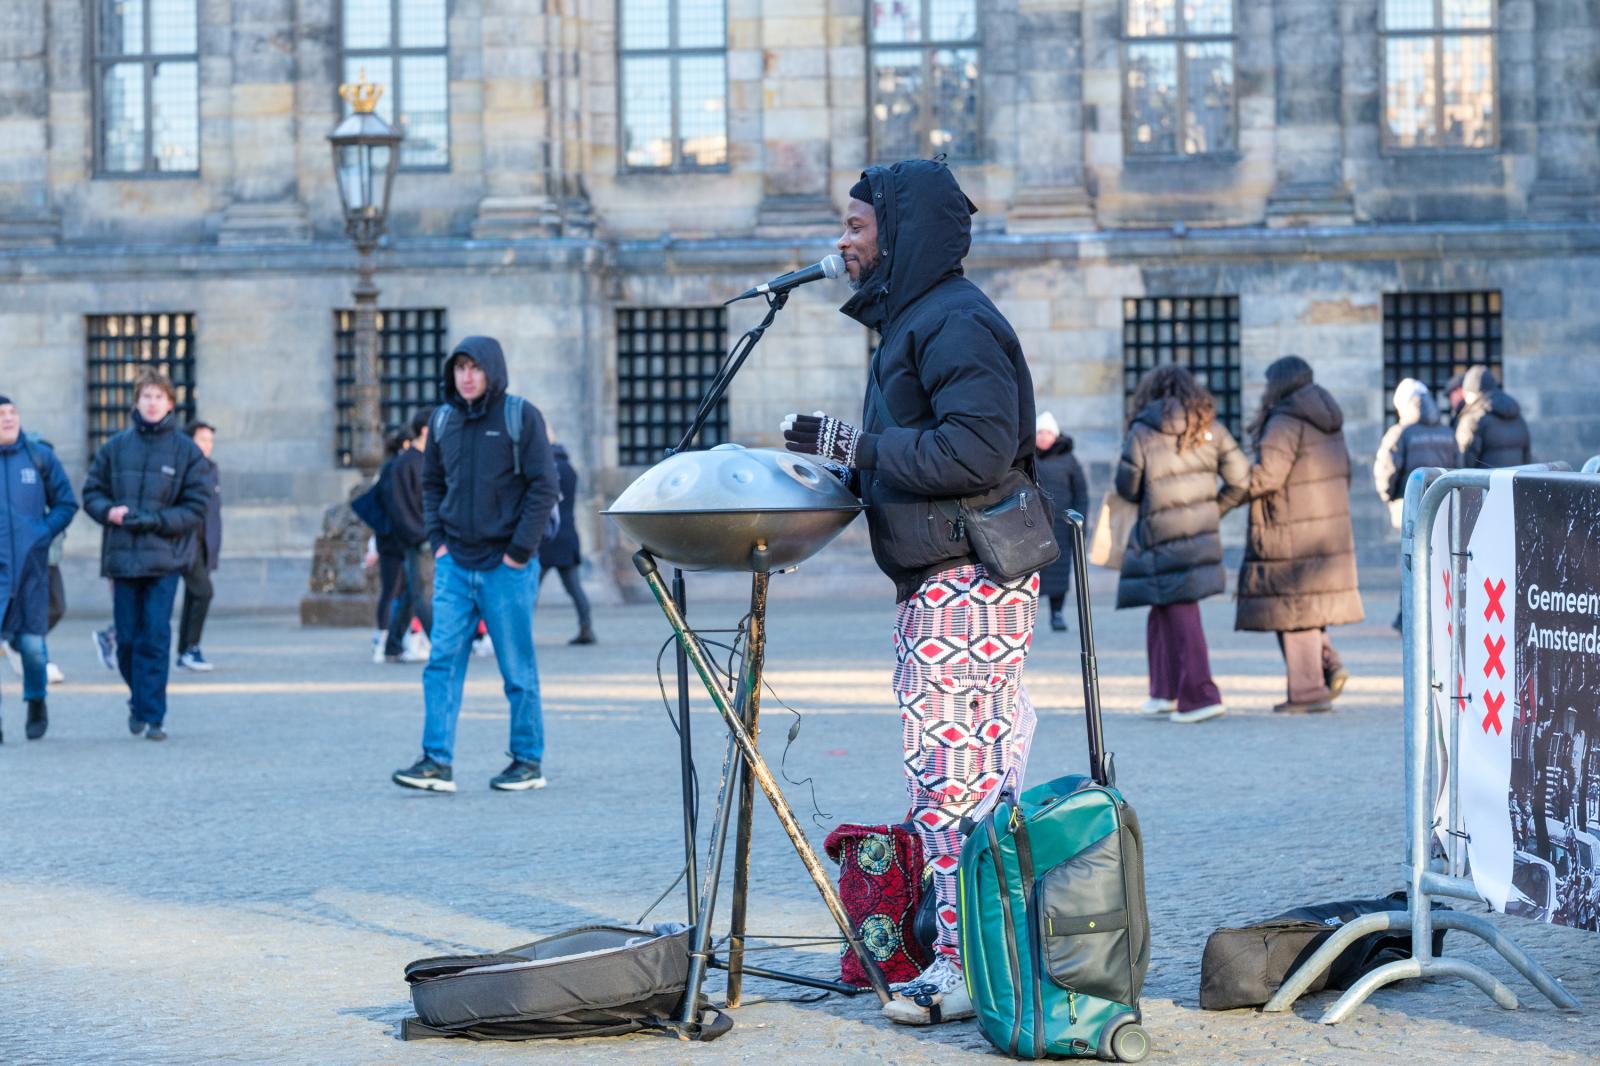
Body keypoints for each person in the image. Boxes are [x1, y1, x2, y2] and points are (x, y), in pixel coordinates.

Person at [781, 159, 1037, 1026]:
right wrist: (838, 467)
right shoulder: (922, 319)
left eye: (857, 226)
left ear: (901, 233)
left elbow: (978, 450)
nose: (843, 241)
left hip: (964, 585)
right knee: (968, 783)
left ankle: (963, 968)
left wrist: (856, 446)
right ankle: (987, 956)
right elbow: (922, 453)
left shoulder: (955, 321)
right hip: (951, 581)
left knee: (951, 785)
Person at [392, 336, 559, 794]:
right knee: (441, 663)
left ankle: (527, 761)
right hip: (454, 564)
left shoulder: (520, 416)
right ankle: (436, 761)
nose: (466, 377)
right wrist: (438, 542)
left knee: (517, 669)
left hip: (506, 567)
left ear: (492, 370)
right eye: (459, 367)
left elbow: (544, 487)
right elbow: (431, 484)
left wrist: (518, 552)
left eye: (475, 367)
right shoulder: (443, 419)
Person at [1114, 367, 1248, 725]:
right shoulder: (1211, 428)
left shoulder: (1143, 431)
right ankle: (1164, 691)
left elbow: (1127, 487)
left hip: (1158, 531)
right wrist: (1213, 510)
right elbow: (1241, 479)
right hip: (1198, 533)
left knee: (1180, 610)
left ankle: (1202, 696)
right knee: (1164, 607)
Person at [81, 370, 209, 741]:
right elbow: (91, 492)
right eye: (146, 396)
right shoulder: (115, 447)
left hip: (165, 558)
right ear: (136, 401)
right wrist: (109, 512)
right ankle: (138, 700)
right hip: (123, 559)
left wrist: (157, 520)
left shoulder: (186, 451)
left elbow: (196, 505)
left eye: (159, 397)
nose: (152, 403)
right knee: (127, 640)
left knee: (154, 635)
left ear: (170, 403)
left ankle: (154, 716)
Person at [1235, 356, 1363, 714]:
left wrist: (1232, 487)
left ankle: (1309, 692)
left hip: (1292, 527)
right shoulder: (1326, 418)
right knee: (1309, 605)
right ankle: (1328, 665)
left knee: (1292, 609)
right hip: (1326, 527)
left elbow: (1268, 476)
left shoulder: (1286, 420)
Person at [0, 397, 78, 742]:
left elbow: (66, 503)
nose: (7, 419)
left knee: (32, 647)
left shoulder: (39, 456)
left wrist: (42, 532)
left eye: (12, 413)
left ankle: (36, 699)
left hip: (30, 571)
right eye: (0, 415)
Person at [1372, 379, 1459, 629]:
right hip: (1443, 505)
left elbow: (1386, 470)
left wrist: (1389, 496)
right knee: (1439, 559)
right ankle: (1437, 615)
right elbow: (1459, 466)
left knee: (1411, 561)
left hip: (1410, 508)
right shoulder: (1447, 433)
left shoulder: (1401, 433)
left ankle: (1408, 617)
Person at [380, 409, 433, 663]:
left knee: (412, 594)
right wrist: (418, 534)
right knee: (422, 595)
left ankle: (392, 645)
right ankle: (442, 644)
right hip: (418, 539)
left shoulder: (427, 460)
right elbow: (399, 506)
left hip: (427, 536)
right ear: (426, 430)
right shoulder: (405, 463)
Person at [1033, 411, 1089, 633]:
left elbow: (1081, 494)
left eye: (1048, 433)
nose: (1044, 437)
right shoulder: (1027, 457)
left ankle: (1057, 613)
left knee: (1059, 573)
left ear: (1055, 435)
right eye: (1040, 432)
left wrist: (1079, 524)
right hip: (1033, 526)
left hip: (1060, 527)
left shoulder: (1069, 460)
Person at [538, 432, 596, 645]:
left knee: (529, 590)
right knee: (574, 588)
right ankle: (586, 628)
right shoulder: (569, 469)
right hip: (567, 537)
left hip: (547, 537)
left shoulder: (545, 467)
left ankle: (520, 632)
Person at [175, 421, 222, 671]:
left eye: (210, 440)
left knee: (194, 595)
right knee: (204, 592)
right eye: (202, 439)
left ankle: (185, 650)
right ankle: (191, 648)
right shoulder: (183, 467)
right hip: (186, 543)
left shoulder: (211, 469)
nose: (207, 445)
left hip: (204, 545)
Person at [1455, 366, 1532, 469]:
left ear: (1471, 392)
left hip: (1484, 479)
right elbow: (1526, 456)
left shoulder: (1473, 417)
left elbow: (1464, 460)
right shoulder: (1517, 416)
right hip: (1514, 478)